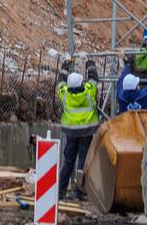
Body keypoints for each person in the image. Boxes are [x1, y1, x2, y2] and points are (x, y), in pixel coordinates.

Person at [55, 59, 99, 201]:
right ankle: (78, 191)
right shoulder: (88, 92)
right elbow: (93, 79)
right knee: (82, 162)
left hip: (71, 132)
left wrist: (65, 66)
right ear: (81, 83)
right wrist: (90, 64)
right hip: (86, 132)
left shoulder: (65, 94)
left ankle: (60, 191)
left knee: (68, 161)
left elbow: (60, 82)